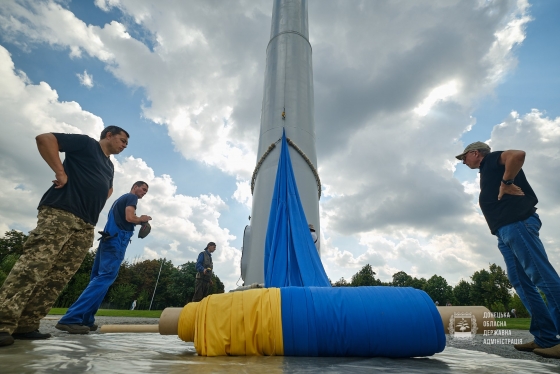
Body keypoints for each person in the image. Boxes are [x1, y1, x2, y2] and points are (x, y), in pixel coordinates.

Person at [0, 126, 129, 347]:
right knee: (33, 267)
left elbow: (108, 189)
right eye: (122, 140)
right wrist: (60, 172)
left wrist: (97, 197)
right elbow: (45, 139)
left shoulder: (109, 165)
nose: (124, 145)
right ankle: (3, 322)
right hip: (61, 213)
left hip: (85, 224)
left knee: (57, 277)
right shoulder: (87, 144)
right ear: (109, 135)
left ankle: (26, 325)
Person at [456, 141, 560, 359]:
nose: (463, 161)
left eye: (464, 157)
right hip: (505, 231)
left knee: (542, 276)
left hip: (518, 224)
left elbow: (518, 154)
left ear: (475, 153)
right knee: (521, 282)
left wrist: (507, 182)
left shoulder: (492, 159)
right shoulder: (487, 170)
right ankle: (546, 337)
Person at [55, 181, 152, 334]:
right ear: (135, 187)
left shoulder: (118, 200)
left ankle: (86, 319)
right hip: (116, 241)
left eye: (146, 191)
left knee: (98, 279)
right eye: (143, 189)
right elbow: (129, 217)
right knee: (105, 278)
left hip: (108, 241)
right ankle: (71, 318)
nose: (144, 192)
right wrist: (142, 219)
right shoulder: (131, 198)